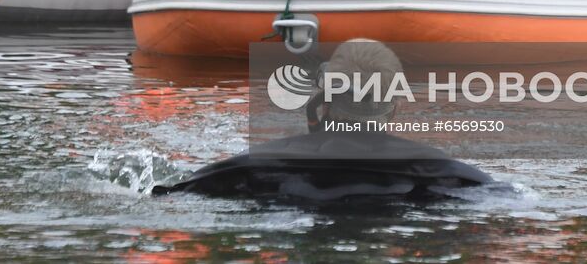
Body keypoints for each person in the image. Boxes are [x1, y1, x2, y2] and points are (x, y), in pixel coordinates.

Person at [155, 39, 502, 202]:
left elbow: (166, 195)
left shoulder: (242, 171)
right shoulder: (453, 176)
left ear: (321, 101)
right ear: (394, 106)